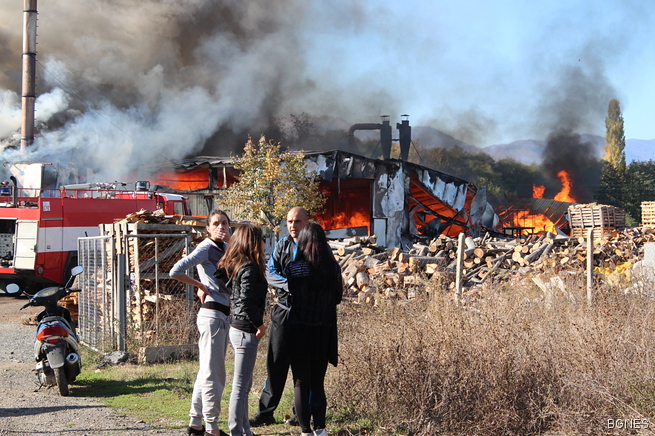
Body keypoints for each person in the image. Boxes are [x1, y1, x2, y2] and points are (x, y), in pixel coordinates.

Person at [169, 210, 231, 436]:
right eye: (216, 224)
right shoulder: (206, 247)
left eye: (225, 223)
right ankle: (212, 428)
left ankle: (196, 424)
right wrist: (201, 285)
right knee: (215, 374)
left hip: (222, 314)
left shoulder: (224, 248)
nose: (221, 227)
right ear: (208, 228)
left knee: (207, 371)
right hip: (212, 315)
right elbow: (175, 271)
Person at [249, 206, 309, 427]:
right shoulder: (282, 244)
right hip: (282, 312)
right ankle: (266, 413)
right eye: (290, 221)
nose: (293, 226)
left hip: (305, 316)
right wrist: (288, 284)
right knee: (275, 362)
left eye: (297, 221)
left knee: (303, 366)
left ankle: (301, 413)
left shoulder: (315, 247)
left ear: (307, 222)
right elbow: (270, 272)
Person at [285, 222, 343, 436]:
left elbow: (292, 294)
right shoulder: (333, 269)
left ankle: (305, 430)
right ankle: (321, 429)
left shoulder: (294, 268)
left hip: (298, 329)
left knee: (301, 382)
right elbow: (337, 298)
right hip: (323, 330)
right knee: (318, 382)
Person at [216, 224, 268, 436]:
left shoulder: (241, 265)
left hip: (239, 327)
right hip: (245, 329)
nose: (265, 243)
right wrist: (260, 324)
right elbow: (245, 301)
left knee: (245, 384)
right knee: (241, 386)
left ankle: (244, 429)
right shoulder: (250, 267)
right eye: (262, 239)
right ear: (253, 242)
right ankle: (236, 430)